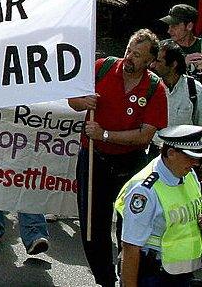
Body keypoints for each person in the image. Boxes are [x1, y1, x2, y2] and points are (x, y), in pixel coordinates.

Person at [69, 29, 169, 287]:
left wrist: (103, 134)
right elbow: (72, 99)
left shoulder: (155, 88)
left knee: (132, 228)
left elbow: (144, 136)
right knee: (92, 228)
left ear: (150, 61)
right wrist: (83, 102)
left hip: (131, 165)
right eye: (128, 51)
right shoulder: (103, 68)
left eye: (137, 55)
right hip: (94, 159)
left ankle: (128, 276)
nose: (129, 58)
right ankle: (105, 280)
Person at [114, 125, 202, 286]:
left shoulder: (187, 174)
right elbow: (130, 246)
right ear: (171, 154)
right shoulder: (144, 190)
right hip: (153, 274)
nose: (195, 163)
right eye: (190, 157)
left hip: (181, 272)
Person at [150, 41, 202, 140]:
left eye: (158, 61)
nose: (152, 65)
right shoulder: (151, 87)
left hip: (183, 151)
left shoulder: (195, 89)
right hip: (155, 149)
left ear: (173, 64)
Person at [160, 5, 202, 80]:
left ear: (189, 26)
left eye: (174, 26)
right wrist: (182, 64)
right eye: (169, 26)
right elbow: (156, 76)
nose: (169, 31)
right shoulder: (164, 48)